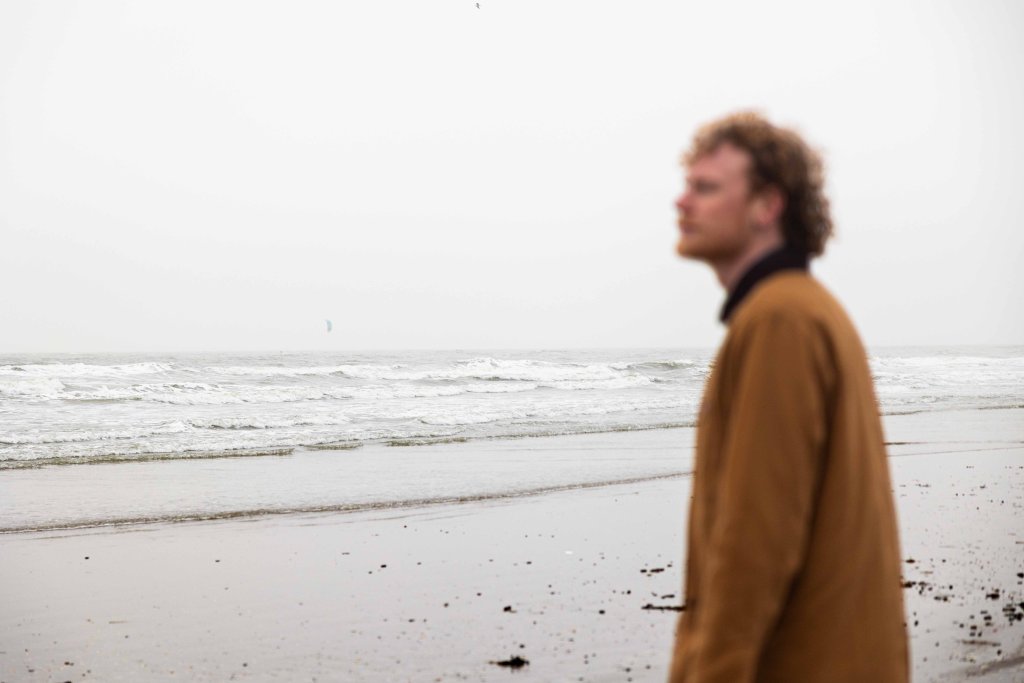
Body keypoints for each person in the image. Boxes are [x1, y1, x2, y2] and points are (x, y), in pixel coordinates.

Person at [668, 112, 909, 683]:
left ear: (767, 206)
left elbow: (757, 538)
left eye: (705, 188)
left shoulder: (780, 321)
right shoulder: (806, 309)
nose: (682, 202)